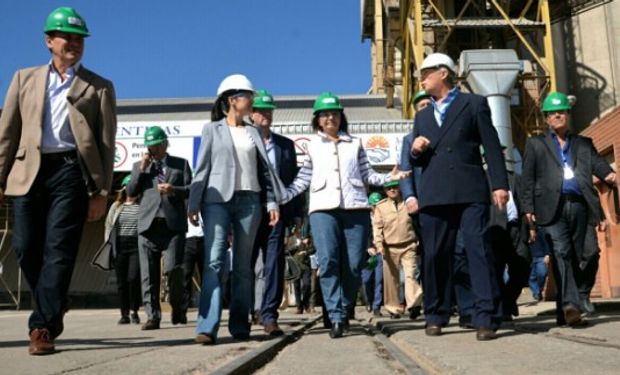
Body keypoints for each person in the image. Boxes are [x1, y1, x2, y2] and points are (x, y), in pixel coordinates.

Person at [0, 7, 116, 355]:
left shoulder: (98, 87)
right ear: (49, 40)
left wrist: (101, 191)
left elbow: (106, 143)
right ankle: (55, 299)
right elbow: (8, 131)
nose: (74, 44)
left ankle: (42, 327)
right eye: (67, 37)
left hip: (71, 172)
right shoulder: (24, 78)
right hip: (28, 171)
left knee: (59, 250)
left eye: (80, 39)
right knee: (24, 244)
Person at [282, 92, 409, 338]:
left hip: (356, 209)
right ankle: (337, 315)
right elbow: (302, 180)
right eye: (325, 114)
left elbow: (368, 175)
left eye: (335, 113)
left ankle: (343, 306)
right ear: (317, 120)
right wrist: (281, 197)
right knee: (329, 261)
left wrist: (390, 178)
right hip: (323, 210)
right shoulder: (311, 145)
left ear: (341, 117)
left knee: (353, 264)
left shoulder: (356, 143)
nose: (330, 118)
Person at [406, 53, 509, 341]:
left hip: (470, 190)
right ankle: (435, 314)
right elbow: (415, 162)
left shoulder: (473, 104)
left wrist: (499, 184)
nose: (421, 78)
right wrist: (415, 150)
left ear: (443, 73)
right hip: (435, 194)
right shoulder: (423, 115)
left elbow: (491, 145)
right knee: (435, 255)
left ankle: (486, 316)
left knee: (478, 250)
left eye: (426, 72)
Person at [188, 74, 284, 345]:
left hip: (250, 202)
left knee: (243, 266)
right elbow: (202, 168)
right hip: (216, 200)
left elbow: (265, 171)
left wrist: (272, 202)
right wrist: (194, 202)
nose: (253, 101)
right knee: (214, 261)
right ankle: (207, 326)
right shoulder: (212, 130)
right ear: (233, 100)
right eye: (248, 96)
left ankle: (240, 326)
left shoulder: (253, 131)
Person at [520, 91, 616, 326]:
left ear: (568, 115)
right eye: (553, 113)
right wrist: (528, 209)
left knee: (590, 252)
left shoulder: (583, 144)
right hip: (551, 208)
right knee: (562, 254)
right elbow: (527, 179)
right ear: (546, 118)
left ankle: (580, 296)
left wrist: (612, 175)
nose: (558, 116)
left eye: (561, 112)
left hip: (581, 205)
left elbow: (599, 165)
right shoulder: (536, 144)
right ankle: (571, 306)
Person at [127, 126, 192, 330]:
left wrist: (174, 190)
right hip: (148, 227)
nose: (152, 150)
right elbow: (131, 191)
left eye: (155, 145)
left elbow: (191, 190)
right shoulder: (140, 165)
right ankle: (152, 316)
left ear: (165, 144)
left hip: (172, 227)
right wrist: (141, 169)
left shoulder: (180, 164)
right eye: (149, 146)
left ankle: (178, 307)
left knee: (174, 271)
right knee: (148, 274)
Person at [250, 89, 304, 336]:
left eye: (269, 110)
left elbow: (292, 182)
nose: (266, 115)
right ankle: (248, 311)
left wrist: (295, 216)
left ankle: (269, 315)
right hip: (248, 211)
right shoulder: (243, 141)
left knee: (274, 264)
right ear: (251, 113)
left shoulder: (285, 146)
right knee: (246, 265)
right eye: (261, 110)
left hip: (277, 215)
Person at [373, 181, 422, 319]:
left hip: (409, 245)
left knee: (411, 275)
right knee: (391, 279)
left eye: (395, 187)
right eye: (389, 188)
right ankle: (394, 309)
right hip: (389, 247)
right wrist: (379, 245)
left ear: (400, 188)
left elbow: (417, 222)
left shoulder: (408, 203)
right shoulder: (380, 207)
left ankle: (414, 305)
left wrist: (419, 239)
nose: (392, 190)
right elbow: (377, 227)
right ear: (385, 190)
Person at [103, 175, 142, 325]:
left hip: (136, 245)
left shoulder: (142, 205)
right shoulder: (116, 206)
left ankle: (134, 310)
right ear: (124, 188)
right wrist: (108, 244)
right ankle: (124, 313)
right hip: (119, 245)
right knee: (121, 281)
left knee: (133, 278)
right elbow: (108, 225)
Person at [362, 192, 384, 317]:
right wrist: (367, 247)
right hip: (369, 255)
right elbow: (361, 234)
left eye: (378, 205)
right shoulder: (364, 219)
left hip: (380, 252)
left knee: (379, 280)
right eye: (374, 205)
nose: (376, 208)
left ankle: (377, 306)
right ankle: (368, 301)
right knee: (366, 279)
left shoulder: (384, 216)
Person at [181, 215, 205, 319]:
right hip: (187, 240)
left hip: (204, 239)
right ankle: (182, 310)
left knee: (206, 277)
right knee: (185, 276)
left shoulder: (206, 204)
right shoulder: (186, 203)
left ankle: (206, 311)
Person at [528, 227, 550, 302]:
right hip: (529, 257)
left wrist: (547, 254)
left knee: (542, 274)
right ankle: (536, 293)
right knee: (531, 278)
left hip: (541, 256)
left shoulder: (541, 230)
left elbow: (546, 242)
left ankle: (538, 290)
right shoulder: (523, 230)